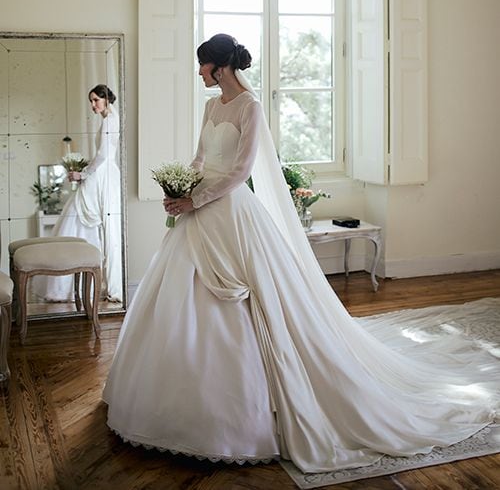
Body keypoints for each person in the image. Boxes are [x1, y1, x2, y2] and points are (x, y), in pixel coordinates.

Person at [103, 34, 499, 474]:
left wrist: (196, 201)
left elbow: (240, 171)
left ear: (219, 67)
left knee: (257, 299)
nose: (198, 73)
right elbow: (200, 158)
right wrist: (180, 190)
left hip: (230, 211)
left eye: (202, 66)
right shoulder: (211, 107)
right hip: (197, 211)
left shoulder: (250, 108)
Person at [32, 84, 122, 304]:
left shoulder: (110, 119)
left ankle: (71, 284)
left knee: (78, 212)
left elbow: (102, 155)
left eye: (95, 100)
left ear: (106, 99)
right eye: (91, 101)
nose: (93, 105)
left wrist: (83, 174)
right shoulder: (108, 119)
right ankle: (79, 281)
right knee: (80, 215)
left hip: (102, 174)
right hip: (102, 173)